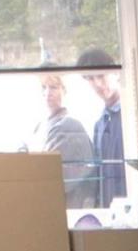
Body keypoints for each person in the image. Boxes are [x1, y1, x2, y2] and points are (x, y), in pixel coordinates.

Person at [32, 74, 98, 208]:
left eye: (54, 87)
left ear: (64, 90)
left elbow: (53, 175)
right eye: (44, 87)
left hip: (66, 207)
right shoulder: (39, 127)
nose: (47, 92)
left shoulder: (69, 125)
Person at [76, 47, 126, 208]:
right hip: (109, 214)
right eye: (90, 78)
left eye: (101, 75)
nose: (97, 83)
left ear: (116, 73)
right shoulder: (100, 124)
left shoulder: (131, 117)